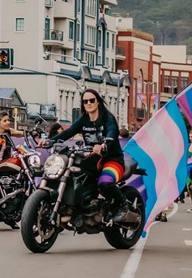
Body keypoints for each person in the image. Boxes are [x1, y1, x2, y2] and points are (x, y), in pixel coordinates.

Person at [38, 88, 129, 223]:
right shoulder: (84, 119)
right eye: (85, 101)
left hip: (111, 160)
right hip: (92, 160)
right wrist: (50, 140)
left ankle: (123, 205)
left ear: (98, 102)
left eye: (92, 100)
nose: (89, 103)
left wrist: (104, 144)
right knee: (76, 177)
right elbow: (68, 133)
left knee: (104, 184)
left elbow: (112, 132)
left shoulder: (107, 117)